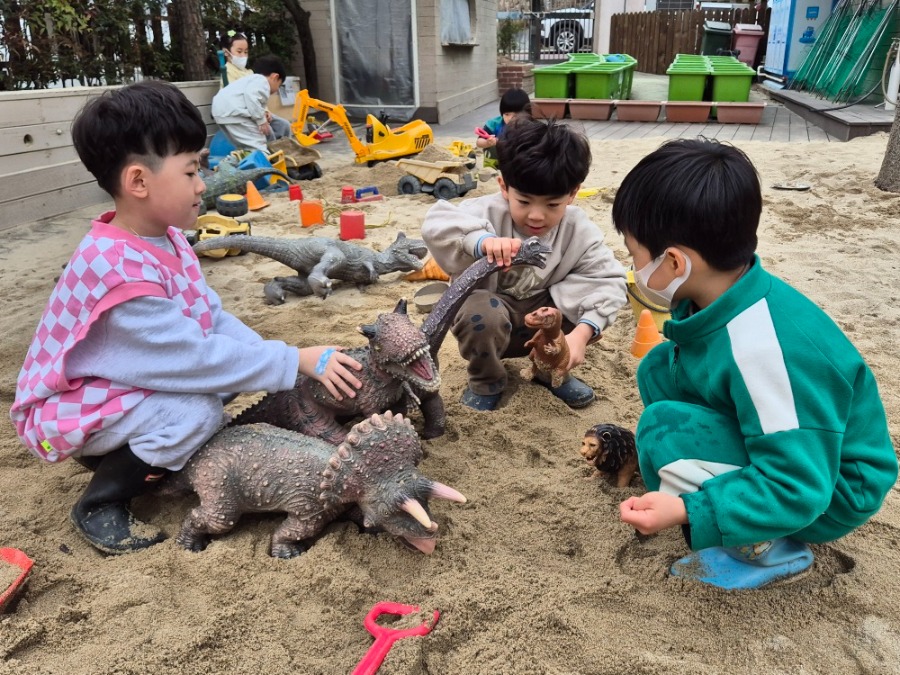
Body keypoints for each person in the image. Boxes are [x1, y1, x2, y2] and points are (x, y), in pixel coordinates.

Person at [9, 81, 362, 556]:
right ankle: (102, 497)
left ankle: (137, 451)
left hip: (128, 380)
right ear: (139, 181)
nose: (202, 184)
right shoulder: (117, 272)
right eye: (193, 170)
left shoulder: (165, 238)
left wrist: (282, 360)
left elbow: (209, 318)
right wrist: (291, 359)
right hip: (74, 407)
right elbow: (193, 356)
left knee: (234, 373)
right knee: (198, 410)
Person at [614, 138, 898, 589]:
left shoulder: (763, 350)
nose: (632, 267)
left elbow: (799, 484)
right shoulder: (726, 292)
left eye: (634, 254)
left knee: (661, 427)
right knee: (659, 367)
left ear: (675, 262)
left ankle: (770, 550)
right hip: (804, 450)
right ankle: (721, 480)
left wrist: (692, 510)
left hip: (831, 488)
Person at [422, 117, 627, 411]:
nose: (536, 216)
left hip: (541, 325)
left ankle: (550, 371)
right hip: (489, 323)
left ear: (572, 193)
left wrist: (581, 335)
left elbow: (609, 279)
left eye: (552, 204)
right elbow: (436, 224)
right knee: (480, 311)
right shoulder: (485, 211)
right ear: (505, 186)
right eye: (525, 201)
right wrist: (481, 241)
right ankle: (487, 379)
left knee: (572, 309)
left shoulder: (577, 229)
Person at [219, 31, 292, 142]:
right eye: (239, 52)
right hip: (241, 115)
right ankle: (271, 156)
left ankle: (287, 150)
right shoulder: (228, 72)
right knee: (267, 131)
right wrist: (260, 117)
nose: (243, 55)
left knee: (284, 125)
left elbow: (259, 96)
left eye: (246, 52)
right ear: (226, 52)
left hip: (257, 112)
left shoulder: (249, 73)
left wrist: (266, 111)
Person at [212, 54, 286, 154]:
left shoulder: (249, 80)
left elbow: (252, 99)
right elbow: (251, 97)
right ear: (275, 77)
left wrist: (263, 111)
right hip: (235, 112)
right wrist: (261, 120)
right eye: (279, 85)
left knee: (244, 147)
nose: (277, 90)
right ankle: (266, 166)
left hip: (220, 112)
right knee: (259, 145)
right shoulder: (262, 81)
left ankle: (233, 163)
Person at [476, 88, 531, 170]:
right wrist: (488, 142)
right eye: (507, 114)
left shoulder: (530, 126)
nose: (511, 118)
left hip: (519, 165)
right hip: (495, 163)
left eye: (516, 115)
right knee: (494, 146)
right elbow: (479, 142)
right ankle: (491, 169)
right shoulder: (494, 124)